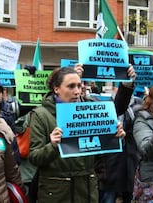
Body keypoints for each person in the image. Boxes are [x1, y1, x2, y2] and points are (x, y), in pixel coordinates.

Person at [28, 67, 128, 202]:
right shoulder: (41, 115)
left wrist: (114, 138)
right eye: (71, 86)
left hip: (86, 190)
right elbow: (35, 157)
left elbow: (101, 154)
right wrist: (53, 146)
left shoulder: (91, 109)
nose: (76, 91)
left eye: (79, 86)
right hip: (56, 192)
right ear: (56, 89)